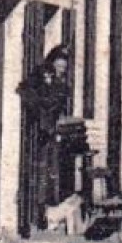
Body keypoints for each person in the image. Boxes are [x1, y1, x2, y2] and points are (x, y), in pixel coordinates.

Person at [18, 47, 71, 229]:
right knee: (37, 172)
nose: (62, 67)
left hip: (50, 134)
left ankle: (46, 213)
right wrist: (39, 113)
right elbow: (24, 91)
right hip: (37, 133)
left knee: (50, 174)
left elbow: (60, 105)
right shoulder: (41, 76)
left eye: (65, 64)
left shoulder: (62, 83)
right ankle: (34, 215)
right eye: (59, 62)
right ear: (53, 61)